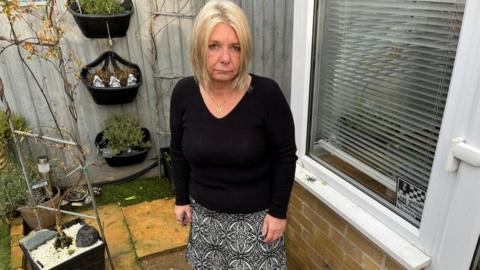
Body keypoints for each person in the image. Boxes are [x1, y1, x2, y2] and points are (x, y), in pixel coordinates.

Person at [170, 1, 297, 269]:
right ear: (199, 48)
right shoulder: (184, 93)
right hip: (205, 221)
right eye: (214, 45)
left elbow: (285, 156)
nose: (225, 58)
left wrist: (278, 212)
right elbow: (178, 150)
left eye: (235, 47)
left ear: (245, 50)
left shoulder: (266, 95)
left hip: (256, 224)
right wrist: (181, 199)